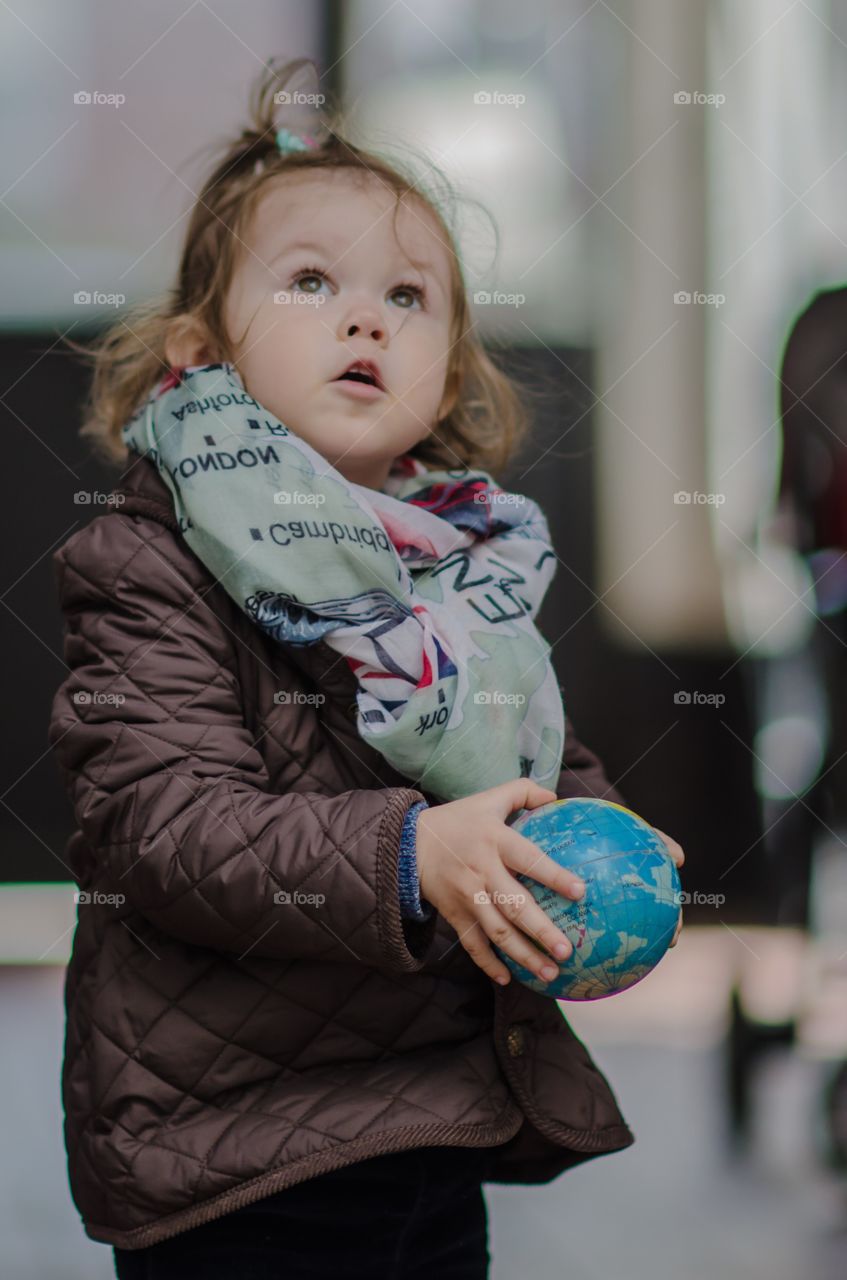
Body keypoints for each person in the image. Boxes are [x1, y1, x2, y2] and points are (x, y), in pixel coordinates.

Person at [48, 56, 684, 1280]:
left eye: (407, 295)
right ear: (196, 351)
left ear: (445, 368)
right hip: (237, 1150)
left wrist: (596, 829)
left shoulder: (462, 564)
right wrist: (408, 855)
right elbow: (162, 827)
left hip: (431, 1115)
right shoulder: (149, 560)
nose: (365, 317)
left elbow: (518, 756)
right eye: (309, 283)